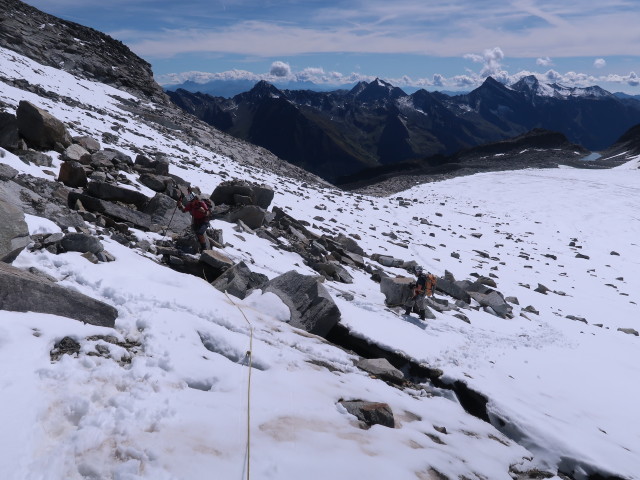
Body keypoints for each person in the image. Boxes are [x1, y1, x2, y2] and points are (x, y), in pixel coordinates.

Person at [177, 186, 210, 252]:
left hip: (204, 221)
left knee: (200, 233)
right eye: (191, 201)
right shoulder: (191, 205)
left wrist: (204, 211)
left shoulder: (202, 204)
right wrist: (180, 205)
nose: (192, 202)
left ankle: (204, 248)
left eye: (193, 200)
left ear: (196, 199)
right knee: (196, 234)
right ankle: (199, 247)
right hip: (196, 221)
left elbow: (208, 213)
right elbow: (184, 210)